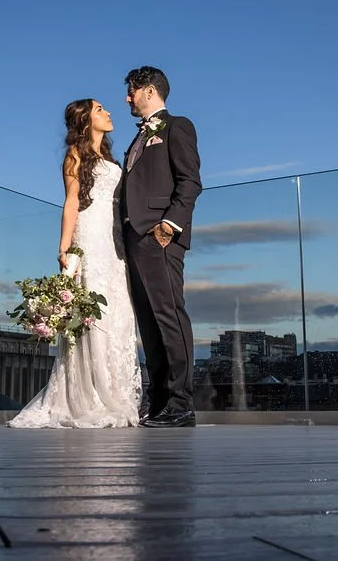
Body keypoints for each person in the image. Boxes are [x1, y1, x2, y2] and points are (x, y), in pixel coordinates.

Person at [7, 99, 142, 428]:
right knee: (92, 316)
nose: (107, 112)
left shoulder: (110, 158)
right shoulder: (75, 155)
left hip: (115, 242)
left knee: (119, 314)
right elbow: (71, 201)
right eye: (99, 109)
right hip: (90, 238)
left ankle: (117, 393)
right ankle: (90, 396)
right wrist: (65, 247)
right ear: (85, 120)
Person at [120, 66, 202, 428]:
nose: (127, 98)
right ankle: (160, 401)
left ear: (149, 91)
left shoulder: (176, 126)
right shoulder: (135, 138)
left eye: (131, 91)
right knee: (149, 322)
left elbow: (190, 181)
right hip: (134, 239)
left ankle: (181, 403)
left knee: (169, 314)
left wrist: (169, 225)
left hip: (160, 236)